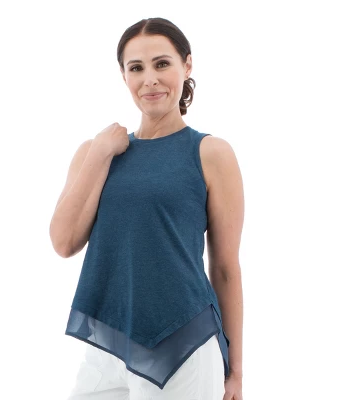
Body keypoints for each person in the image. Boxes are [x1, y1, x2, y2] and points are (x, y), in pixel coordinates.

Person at [49, 17, 244, 400]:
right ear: (124, 76)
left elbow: (224, 267)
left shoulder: (211, 153)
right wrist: (101, 153)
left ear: (186, 65)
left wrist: (235, 370)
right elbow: (64, 241)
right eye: (136, 68)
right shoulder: (95, 152)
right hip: (107, 341)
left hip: (183, 342)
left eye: (162, 64)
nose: (150, 79)